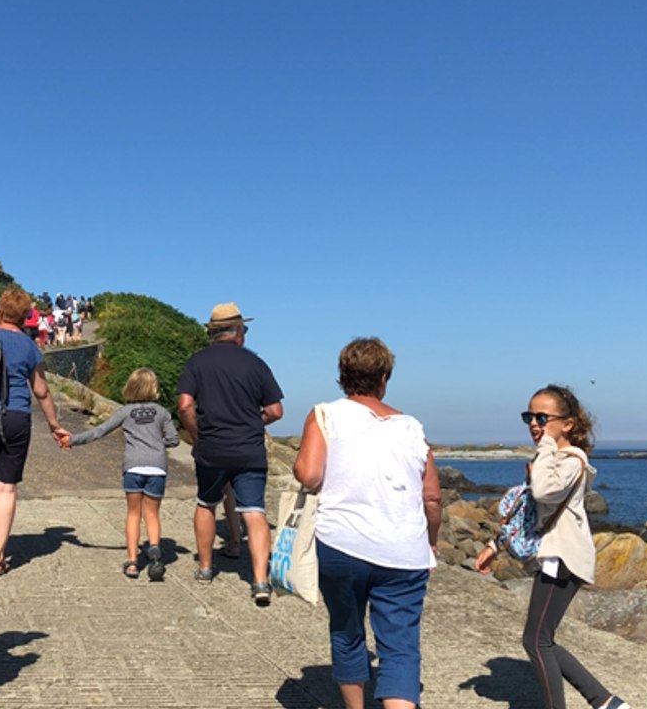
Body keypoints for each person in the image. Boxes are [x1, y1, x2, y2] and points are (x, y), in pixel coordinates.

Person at [292, 337, 440, 709]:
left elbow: (309, 475)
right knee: (400, 646)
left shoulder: (324, 415)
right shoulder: (411, 427)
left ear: (342, 375)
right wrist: (431, 541)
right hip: (404, 550)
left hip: (340, 542)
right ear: (384, 377)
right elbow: (432, 499)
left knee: (347, 631)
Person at [474, 385, 631, 709]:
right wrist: (495, 545)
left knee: (536, 640)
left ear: (568, 424)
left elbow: (544, 493)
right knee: (542, 639)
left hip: (563, 557)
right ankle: (606, 702)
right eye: (529, 417)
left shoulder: (571, 460)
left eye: (542, 418)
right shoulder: (549, 459)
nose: (534, 424)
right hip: (553, 556)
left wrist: (545, 447)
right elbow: (527, 512)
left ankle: (599, 702)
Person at [0, 287, 70, 577]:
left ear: (0, 311)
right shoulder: (30, 346)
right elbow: (42, 391)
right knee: (5, 487)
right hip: (17, 417)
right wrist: (54, 425)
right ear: (25, 316)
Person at [177, 301, 283, 605]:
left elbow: (184, 405)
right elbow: (275, 410)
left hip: (212, 448)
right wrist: (252, 422)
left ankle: (205, 568)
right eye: (244, 329)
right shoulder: (256, 364)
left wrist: (198, 436)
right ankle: (260, 581)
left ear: (212, 333)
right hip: (249, 449)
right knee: (254, 511)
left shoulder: (196, 362)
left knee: (206, 503)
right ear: (237, 331)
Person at [65, 368, 180, 580]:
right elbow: (174, 440)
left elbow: (99, 431)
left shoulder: (125, 412)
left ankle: (132, 562)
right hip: (157, 467)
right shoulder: (162, 412)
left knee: (133, 514)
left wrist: (72, 440)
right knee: (152, 514)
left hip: (133, 467)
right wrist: (156, 444)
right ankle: (155, 552)